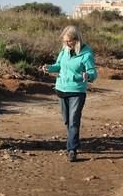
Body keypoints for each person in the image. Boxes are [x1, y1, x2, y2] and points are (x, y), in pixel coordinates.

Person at [41, 25, 98, 162]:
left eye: (68, 41)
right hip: (61, 89)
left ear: (76, 40)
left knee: (73, 121)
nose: (66, 44)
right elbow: (59, 65)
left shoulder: (86, 54)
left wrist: (87, 76)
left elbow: (93, 73)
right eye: (64, 41)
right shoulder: (64, 51)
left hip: (77, 91)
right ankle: (74, 140)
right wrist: (49, 68)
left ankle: (71, 149)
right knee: (67, 120)